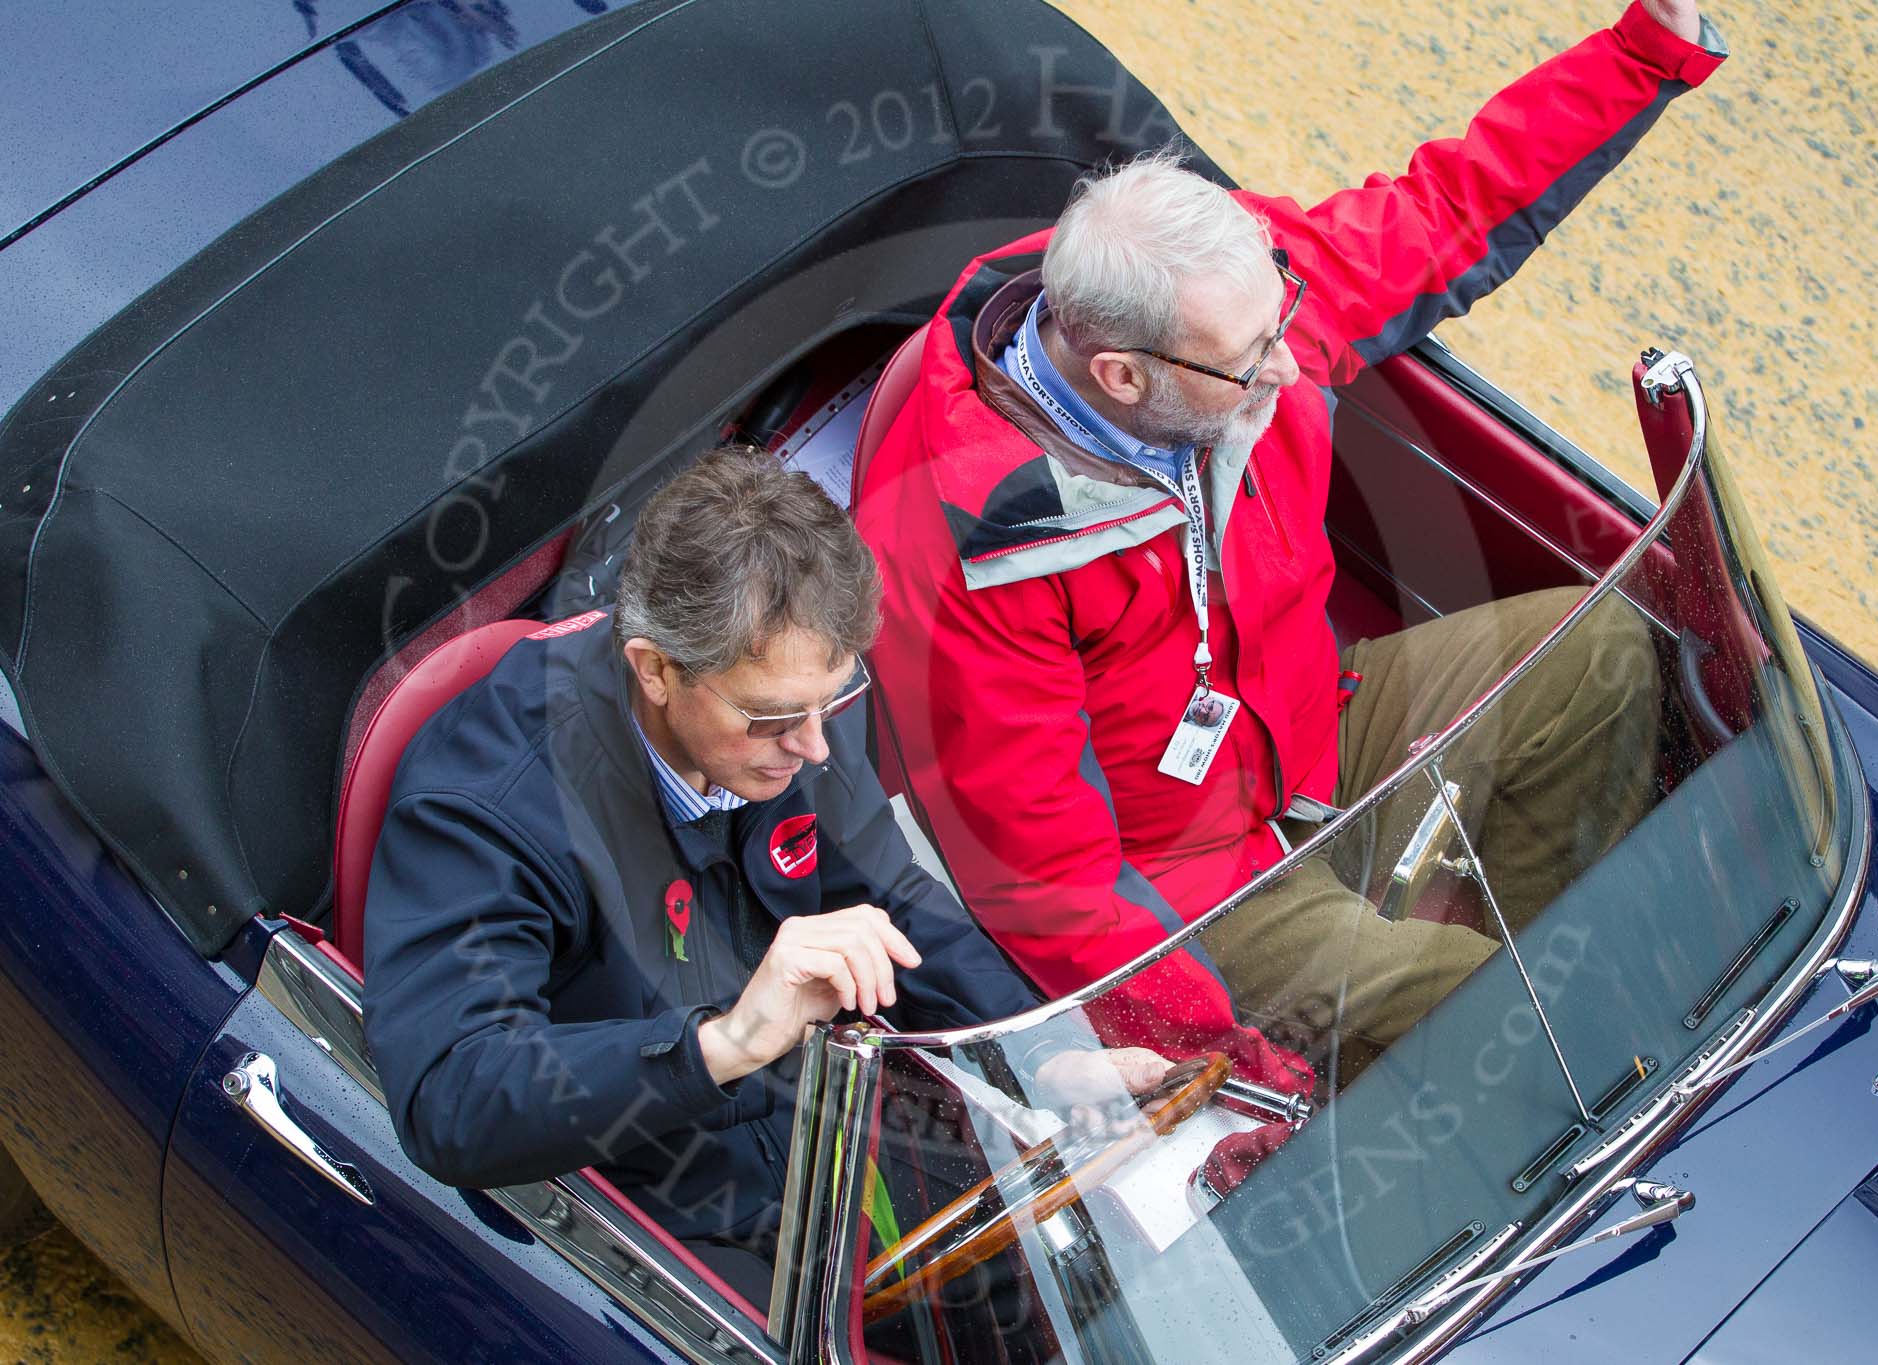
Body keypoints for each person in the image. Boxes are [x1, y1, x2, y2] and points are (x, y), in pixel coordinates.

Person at [854, 2, 1717, 1081]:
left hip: (1306, 733)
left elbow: (1444, 207)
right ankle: (1462, 1045)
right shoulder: (976, 555)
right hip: (1184, 880)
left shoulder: (1219, 307)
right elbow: (1047, 884)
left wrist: (1642, 51)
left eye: (1280, 319)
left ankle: (1488, 984)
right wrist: (1227, 1053)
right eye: (1249, 358)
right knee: (1493, 1004)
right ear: (1120, 375)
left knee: (1601, 656)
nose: (1288, 365)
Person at [363, 448, 1167, 1304]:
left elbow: (892, 898)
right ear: (656, 669)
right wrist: (728, 1041)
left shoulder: (789, 706)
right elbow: (450, 1098)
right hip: (663, 1206)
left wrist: (1039, 1051)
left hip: (840, 1135)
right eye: (776, 717)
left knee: (1114, 1283)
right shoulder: (491, 806)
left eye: (833, 700)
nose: (816, 746)